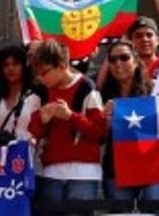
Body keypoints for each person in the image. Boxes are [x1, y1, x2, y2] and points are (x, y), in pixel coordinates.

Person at [28, 39, 105, 209]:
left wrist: (71, 117)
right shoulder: (41, 92)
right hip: (50, 172)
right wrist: (41, 120)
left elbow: (100, 132)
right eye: (38, 74)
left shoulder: (87, 88)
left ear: (62, 65)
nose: (41, 78)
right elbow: (32, 132)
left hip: (84, 173)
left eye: (45, 72)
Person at [99, 40, 159, 207]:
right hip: (118, 170)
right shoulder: (102, 97)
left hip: (156, 169)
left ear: (135, 60)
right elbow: (99, 138)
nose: (118, 63)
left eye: (124, 57)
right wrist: (106, 120)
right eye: (113, 59)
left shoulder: (155, 89)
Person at [0, 45, 41, 146]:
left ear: (24, 67)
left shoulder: (36, 97)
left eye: (15, 64)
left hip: (27, 156)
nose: (11, 68)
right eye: (5, 65)